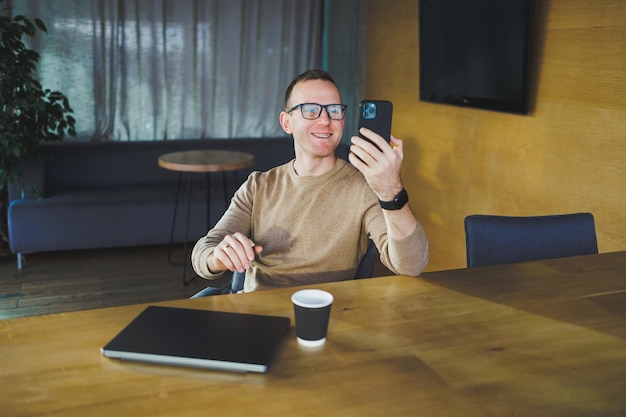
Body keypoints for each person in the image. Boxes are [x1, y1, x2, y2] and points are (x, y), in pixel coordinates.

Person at [191, 69, 428, 292]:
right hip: (258, 311)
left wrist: (391, 191)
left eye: (334, 110)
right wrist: (217, 257)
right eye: (311, 110)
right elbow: (203, 252)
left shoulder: (366, 187)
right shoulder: (258, 186)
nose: (325, 120)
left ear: (342, 121)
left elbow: (411, 265)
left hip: (329, 314)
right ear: (287, 122)